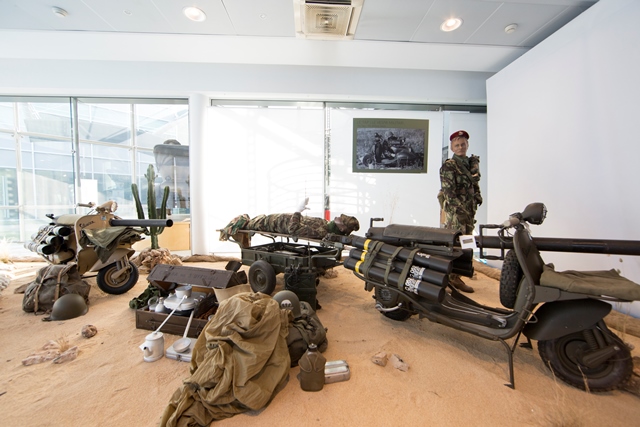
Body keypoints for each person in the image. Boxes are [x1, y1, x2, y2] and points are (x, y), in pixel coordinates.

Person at [439, 130, 482, 293]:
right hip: (456, 214)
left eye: (463, 144)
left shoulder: (471, 164)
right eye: (456, 145)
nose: (460, 147)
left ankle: (458, 276)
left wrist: (477, 196)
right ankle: (450, 278)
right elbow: (448, 192)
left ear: (467, 145)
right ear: (452, 148)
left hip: (469, 211)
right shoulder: (449, 166)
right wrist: (460, 211)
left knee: (467, 243)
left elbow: (474, 184)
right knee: (455, 245)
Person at [219, 198, 360, 245]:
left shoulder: (322, 231)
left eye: (342, 220)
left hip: (271, 224)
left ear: (342, 228)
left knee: (243, 221)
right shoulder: (325, 224)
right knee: (247, 218)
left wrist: (298, 211)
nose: (339, 217)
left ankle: (231, 230)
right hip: (274, 219)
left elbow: (293, 230)